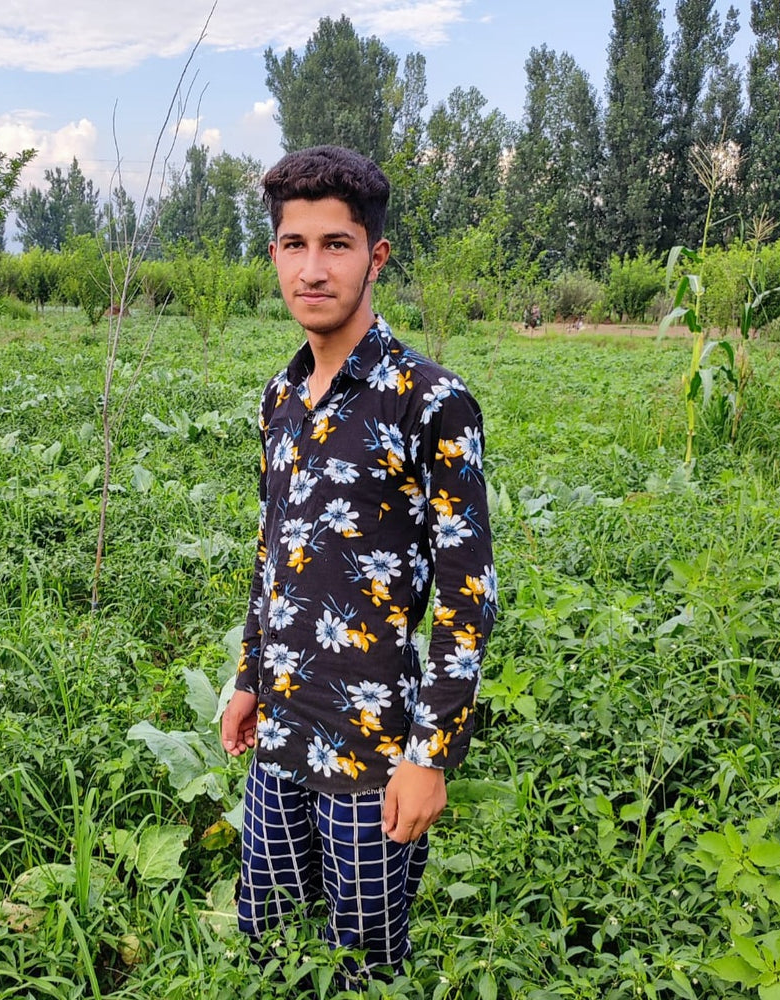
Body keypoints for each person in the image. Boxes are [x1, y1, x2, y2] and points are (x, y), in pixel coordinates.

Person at [220, 145, 497, 986]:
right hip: (279, 734)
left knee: (365, 968)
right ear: (274, 254)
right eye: (294, 245)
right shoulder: (279, 398)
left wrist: (429, 756)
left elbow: (468, 596)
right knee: (268, 945)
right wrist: (248, 677)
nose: (312, 269)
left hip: (374, 755)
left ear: (375, 256)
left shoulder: (431, 402)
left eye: (335, 244)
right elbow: (273, 551)